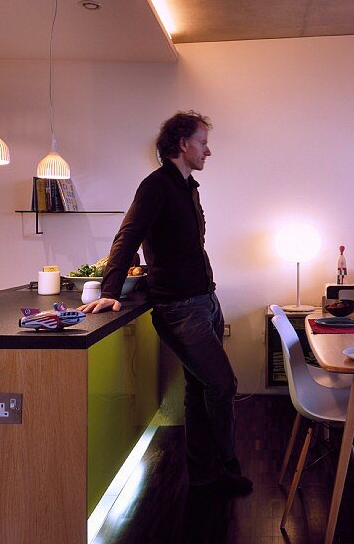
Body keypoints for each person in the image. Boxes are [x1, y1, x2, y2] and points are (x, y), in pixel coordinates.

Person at [78, 111, 252, 495]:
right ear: (182, 144)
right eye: (203, 142)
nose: (209, 150)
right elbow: (128, 237)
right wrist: (110, 290)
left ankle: (206, 477)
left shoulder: (189, 188)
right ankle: (224, 467)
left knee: (200, 386)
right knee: (222, 385)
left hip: (205, 299)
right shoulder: (156, 185)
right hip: (179, 308)